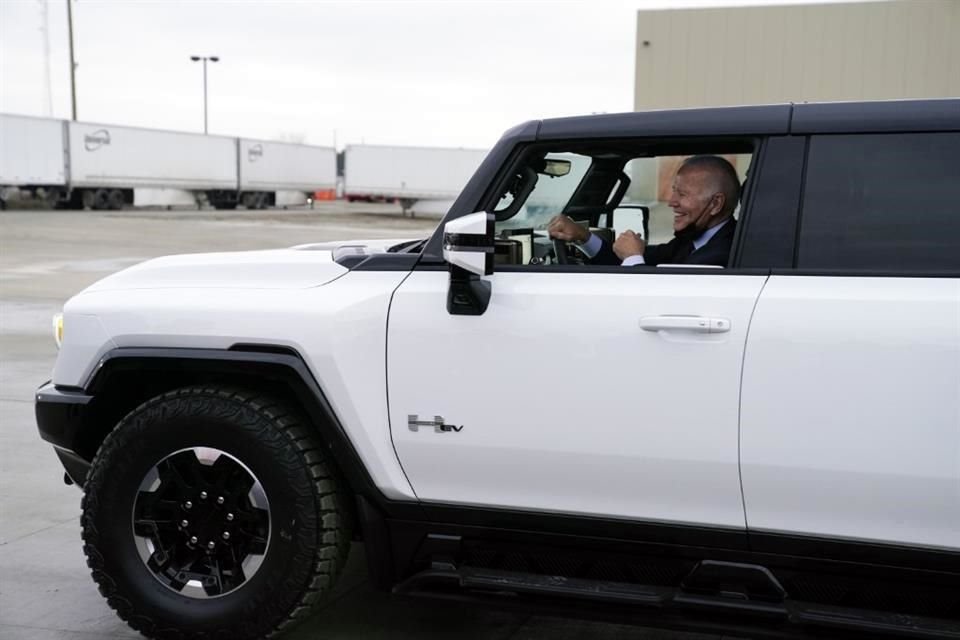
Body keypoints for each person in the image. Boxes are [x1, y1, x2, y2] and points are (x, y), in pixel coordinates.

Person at [547, 155, 740, 267]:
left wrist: (633, 257)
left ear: (715, 204)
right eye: (673, 191)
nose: (671, 202)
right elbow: (622, 259)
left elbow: (661, 299)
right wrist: (583, 236)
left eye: (682, 194)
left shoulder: (723, 254)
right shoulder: (691, 241)